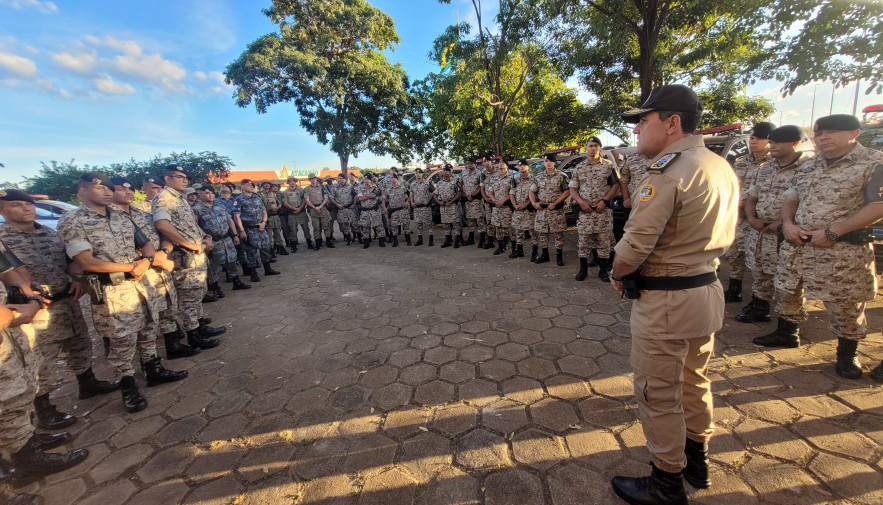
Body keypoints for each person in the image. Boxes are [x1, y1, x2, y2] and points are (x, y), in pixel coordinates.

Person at [609, 84, 738, 504]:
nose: (637, 131)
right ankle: (696, 462)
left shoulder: (669, 170)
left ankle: (666, 482)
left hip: (667, 301)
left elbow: (635, 244)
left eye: (642, 121)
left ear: (672, 123)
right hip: (704, 290)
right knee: (694, 380)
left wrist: (617, 271)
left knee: (658, 392)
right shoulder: (718, 165)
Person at [0, 190, 119, 430]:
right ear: (2, 210)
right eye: (16, 205)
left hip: (66, 299)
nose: (26, 209)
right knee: (41, 360)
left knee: (79, 344)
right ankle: (44, 411)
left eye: (28, 204)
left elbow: (68, 260)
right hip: (35, 309)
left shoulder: (49, 233)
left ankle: (88, 383)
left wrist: (75, 277)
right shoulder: (3, 239)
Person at [776, 114, 883, 379]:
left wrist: (834, 232)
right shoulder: (809, 165)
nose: (823, 137)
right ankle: (787, 332)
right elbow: (792, 197)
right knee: (788, 289)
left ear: (854, 133)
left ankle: (847, 354)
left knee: (845, 303)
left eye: (831, 132)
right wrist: (788, 224)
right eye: (819, 133)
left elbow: (877, 206)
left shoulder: (873, 162)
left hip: (842, 250)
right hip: (799, 245)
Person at [57, 172, 170, 412]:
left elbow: (145, 242)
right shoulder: (72, 220)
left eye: (110, 188)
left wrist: (147, 259)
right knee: (122, 340)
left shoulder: (120, 217)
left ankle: (153, 370)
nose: (107, 192)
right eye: (100, 188)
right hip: (111, 290)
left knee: (149, 327)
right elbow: (86, 262)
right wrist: (132, 266)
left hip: (140, 284)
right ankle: (128, 387)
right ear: (82, 192)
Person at [0, 243, 90, 489]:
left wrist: (28, 298)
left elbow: (10, 269)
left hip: (12, 326)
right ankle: (24, 463)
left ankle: (27, 446)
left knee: (19, 390)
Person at [109, 177, 201, 362]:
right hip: (135, 276)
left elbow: (164, 233)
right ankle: (146, 365)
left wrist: (165, 251)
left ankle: (172, 346)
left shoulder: (143, 215)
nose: (128, 192)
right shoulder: (109, 220)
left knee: (168, 310)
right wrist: (151, 259)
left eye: (130, 189)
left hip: (159, 272)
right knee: (144, 323)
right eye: (120, 189)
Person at [737, 126, 813, 326]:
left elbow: (809, 202)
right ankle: (760, 308)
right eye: (771, 142)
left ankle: (788, 327)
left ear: (795, 143)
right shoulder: (766, 168)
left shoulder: (808, 168)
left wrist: (782, 223)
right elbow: (752, 196)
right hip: (760, 231)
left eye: (778, 142)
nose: (772, 146)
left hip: (787, 234)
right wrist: (752, 218)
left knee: (789, 281)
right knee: (759, 271)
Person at [153, 165, 225, 351]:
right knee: (188, 297)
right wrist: (188, 244)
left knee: (198, 291)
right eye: (179, 177)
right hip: (184, 256)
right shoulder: (164, 198)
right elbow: (162, 224)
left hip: (197, 254)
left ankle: (200, 326)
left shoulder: (181, 199)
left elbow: (190, 224)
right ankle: (194, 335)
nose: (184, 180)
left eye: (186, 177)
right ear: (167, 179)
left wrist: (204, 237)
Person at [722, 121, 775, 303]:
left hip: (759, 220)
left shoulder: (774, 164)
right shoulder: (741, 162)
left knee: (759, 261)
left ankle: (760, 300)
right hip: (736, 217)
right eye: (752, 137)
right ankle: (734, 290)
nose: (754, 141)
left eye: (759, 138)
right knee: (733, 254)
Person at [569, 136, 621, 281]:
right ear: (586, 148)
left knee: (603, 241)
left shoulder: (608, 165)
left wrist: (604, 200)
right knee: (583, 241)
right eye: (590, 146)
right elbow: (573, 188)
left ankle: (603, 271)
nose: (593, 148)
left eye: (596, 146)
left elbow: (616, 185)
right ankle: (583, 270)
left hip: (602, 210)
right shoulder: (579, 167)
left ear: (600, 148)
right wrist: (580, 202)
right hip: (585, 211)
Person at [192, 184, 251, 294]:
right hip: (212, 241)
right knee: (214, 265)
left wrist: (235, 235)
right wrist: (205, 237)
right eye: (207, 193)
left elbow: (230, 220)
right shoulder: (196, 209)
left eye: (211, 193)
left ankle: (236, 282)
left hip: (226, 239)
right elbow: (195, 226)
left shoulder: (220, 205)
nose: (210, 195)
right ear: (200, 194)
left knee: (232, 260)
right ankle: (214, 287)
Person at [232, 179, 279, 282]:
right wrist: (242, 231)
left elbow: (264, 211)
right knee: (251, 251)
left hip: (261, 227)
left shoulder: (257, 197)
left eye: (252, 185)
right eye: (248, 185)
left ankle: (267, 268)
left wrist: (264, 222)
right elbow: (236, 217)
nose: (251, 187)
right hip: (249, 229)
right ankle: (253, 273)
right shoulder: (239, 199)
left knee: (265, 247)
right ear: (242, 187)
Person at [529, 153, 569, 265]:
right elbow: (531, 191)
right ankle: (544, 255)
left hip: (555, 210)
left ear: (554, 162)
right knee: (542, 233)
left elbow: (567, 191)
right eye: (546, 161)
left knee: (558, 233)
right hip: (542, 210)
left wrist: (555, 203)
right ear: (544, 163)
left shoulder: (561, 176)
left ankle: (559, 256)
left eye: (550, 161)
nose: (548, 163)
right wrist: (533, 203)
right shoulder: (538, 177)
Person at [487, 157, 515, 255]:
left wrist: (503, 201)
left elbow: (512, 192)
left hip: (507, 207)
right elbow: (490, 191)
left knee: (510, 228)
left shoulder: (512, 178)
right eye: (499, 163)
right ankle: (500, 246)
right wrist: (495, 201)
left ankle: (514, 248)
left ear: (507, 166)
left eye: (503, 163)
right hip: (496, 207)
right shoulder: (494, 178)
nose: (501, 164)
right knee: (497, 227)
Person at [509, 159, 535, 259]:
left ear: (528, 167)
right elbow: (511, 193)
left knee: (532, 231)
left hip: (529, 209)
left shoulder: (533, 179)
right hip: (517, 209)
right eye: (520, 165)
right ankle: (519, 251)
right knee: (518, 230)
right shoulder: (515, 179)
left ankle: (534, 252)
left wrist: (525, 204)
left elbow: (536, 195)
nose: (522, 167)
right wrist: (515, 205)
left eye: (524, 165)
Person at [433, 164, 463, 248]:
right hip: (443, 207)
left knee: (455, 224)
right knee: (446, 224)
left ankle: (457, 240)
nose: (445, 172)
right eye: (444, 171)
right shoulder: (440, 182)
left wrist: (451, 201)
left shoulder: (455, 181)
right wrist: (439, 202)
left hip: (453, 205)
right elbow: (435, 194)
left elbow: (459, 193)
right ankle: (447, 240)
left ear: (451, 172)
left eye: (447, 171)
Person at [460, 158, 486, 247]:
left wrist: (473, 195)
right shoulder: (464, 174)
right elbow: (461, 184)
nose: (469, 165)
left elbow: (482, 186)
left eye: (471, 163)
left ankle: (482, 240)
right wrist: (464, 193)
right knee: (470, 220)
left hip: (476, 200)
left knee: (480, 220)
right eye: (468, 163)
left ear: (475, 164)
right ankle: (471, 239)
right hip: (468, 201)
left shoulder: (479, 174)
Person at [282, 176, 312, 251]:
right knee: (293, 230)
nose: (292, 182)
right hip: (292, 213)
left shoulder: (301, 190)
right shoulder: (286, 192)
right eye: (290, 181)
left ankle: (309, 243)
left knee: (306, 228)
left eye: (293, 181)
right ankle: (294, 246)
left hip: (301, 211)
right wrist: (294, 209)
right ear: (288, 182)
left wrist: (299, 208)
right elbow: (285, 203)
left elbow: (305, 200)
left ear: (295, 182)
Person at [304, 174, 333, 249]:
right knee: (316, 227)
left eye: (314, 178)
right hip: (313, 209)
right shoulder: (307, 188)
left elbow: (326, 198)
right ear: (309, 180)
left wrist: (320, 206)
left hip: (322, 208)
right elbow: (307, 200)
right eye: (311, 179)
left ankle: (328, 241)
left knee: (326, 226)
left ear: (316, 179)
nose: (313, 180)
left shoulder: (322, 187)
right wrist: (315, 208)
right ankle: (318, 242)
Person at [330, 173, 358, 245]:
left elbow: (355, 195)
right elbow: (331, 198)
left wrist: (354, 204)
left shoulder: (350, 186)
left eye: (341, 178)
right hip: (341, 209)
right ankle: (348, 239)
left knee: (355, 223)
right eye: (338, 178)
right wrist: (337, 204)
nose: (339, 180)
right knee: (345, 225)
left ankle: (358, 238)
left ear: (345, 179)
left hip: (350, 208)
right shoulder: (334, 187)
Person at [357, 174, 384, 248]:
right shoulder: (360, 188)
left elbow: (374, 195)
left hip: (374, 210)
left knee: (378, 226)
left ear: (370, 180)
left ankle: (381, 241)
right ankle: (366, 242)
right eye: (365, 179)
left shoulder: (375, 187)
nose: (366, 181)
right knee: (365, 227)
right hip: (365, 211)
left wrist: (365, 195)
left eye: (367, 179)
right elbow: (360, 198)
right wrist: (370, 195)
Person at [409, 168, 435, 246]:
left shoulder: (427, 183)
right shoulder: (413, 184)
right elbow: (411, 194)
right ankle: (420, 240)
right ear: (415, 174)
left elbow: (434, 192)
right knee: (418, 224)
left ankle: (431, 240)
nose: (418, 174)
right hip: (417, 207)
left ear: (422, 174)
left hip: (425, 208)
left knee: (429, 224)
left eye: (420, 173)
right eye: (416, 173)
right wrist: (412, 202)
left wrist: (429, 201)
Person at [383, 175, 410, 247]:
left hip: (402, 209)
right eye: (391, 178)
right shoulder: (388, 189)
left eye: (394, 178)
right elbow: (383, 199)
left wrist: (407, 201)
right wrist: (384, 208)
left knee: (406, 225)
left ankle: (408, 240)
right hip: (393, 210)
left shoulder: (402, 187)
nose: (392, 179)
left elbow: (410, 194)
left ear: (397, 179)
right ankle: (395, 241)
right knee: (393, 226)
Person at [264, 182, 288, 256]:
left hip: (275, 216)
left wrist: (277, 207)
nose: (267, 185)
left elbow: (279, 203)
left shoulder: (274, 194)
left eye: (268, 184)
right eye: (265, 184)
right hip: (268, 216)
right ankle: (270, 250)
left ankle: (280, 247)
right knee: (269, 235)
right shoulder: (259, 194)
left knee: (277, 233)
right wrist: (269, 209)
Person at [480, 156, 498, 250]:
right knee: (489, 221)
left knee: (500, 221)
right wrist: (486, 198)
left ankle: (504, 240)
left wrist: (495, 199)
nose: (485, 163)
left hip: (497, 201)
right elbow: (482, 188)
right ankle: (490, 240)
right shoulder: (483, 174)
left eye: (487, 161)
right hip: (487, 201)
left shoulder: (498, 171)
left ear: (491, 162)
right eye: (484, 161)